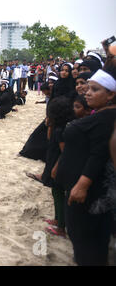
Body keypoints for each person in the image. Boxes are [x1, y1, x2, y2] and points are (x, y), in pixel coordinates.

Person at [55, 69, 116, 265]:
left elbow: (99, 154)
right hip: (80, 188)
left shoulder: (106, 120)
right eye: (87, 88)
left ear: (111, 94)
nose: (87, 92)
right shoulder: (101, 116)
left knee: (87, 241)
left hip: (89, 193)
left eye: (94, 89)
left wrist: (83, 184)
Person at [41, 97, 75, 238]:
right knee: (55, 193)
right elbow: (49, 139)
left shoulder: (62, 130)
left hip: (58, 165)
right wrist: (49, 124)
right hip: (53, 160)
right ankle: (57, 219)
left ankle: (61, 226)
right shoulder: (57, 127)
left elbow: (64, 151)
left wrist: (56, 167)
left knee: (58, 192)